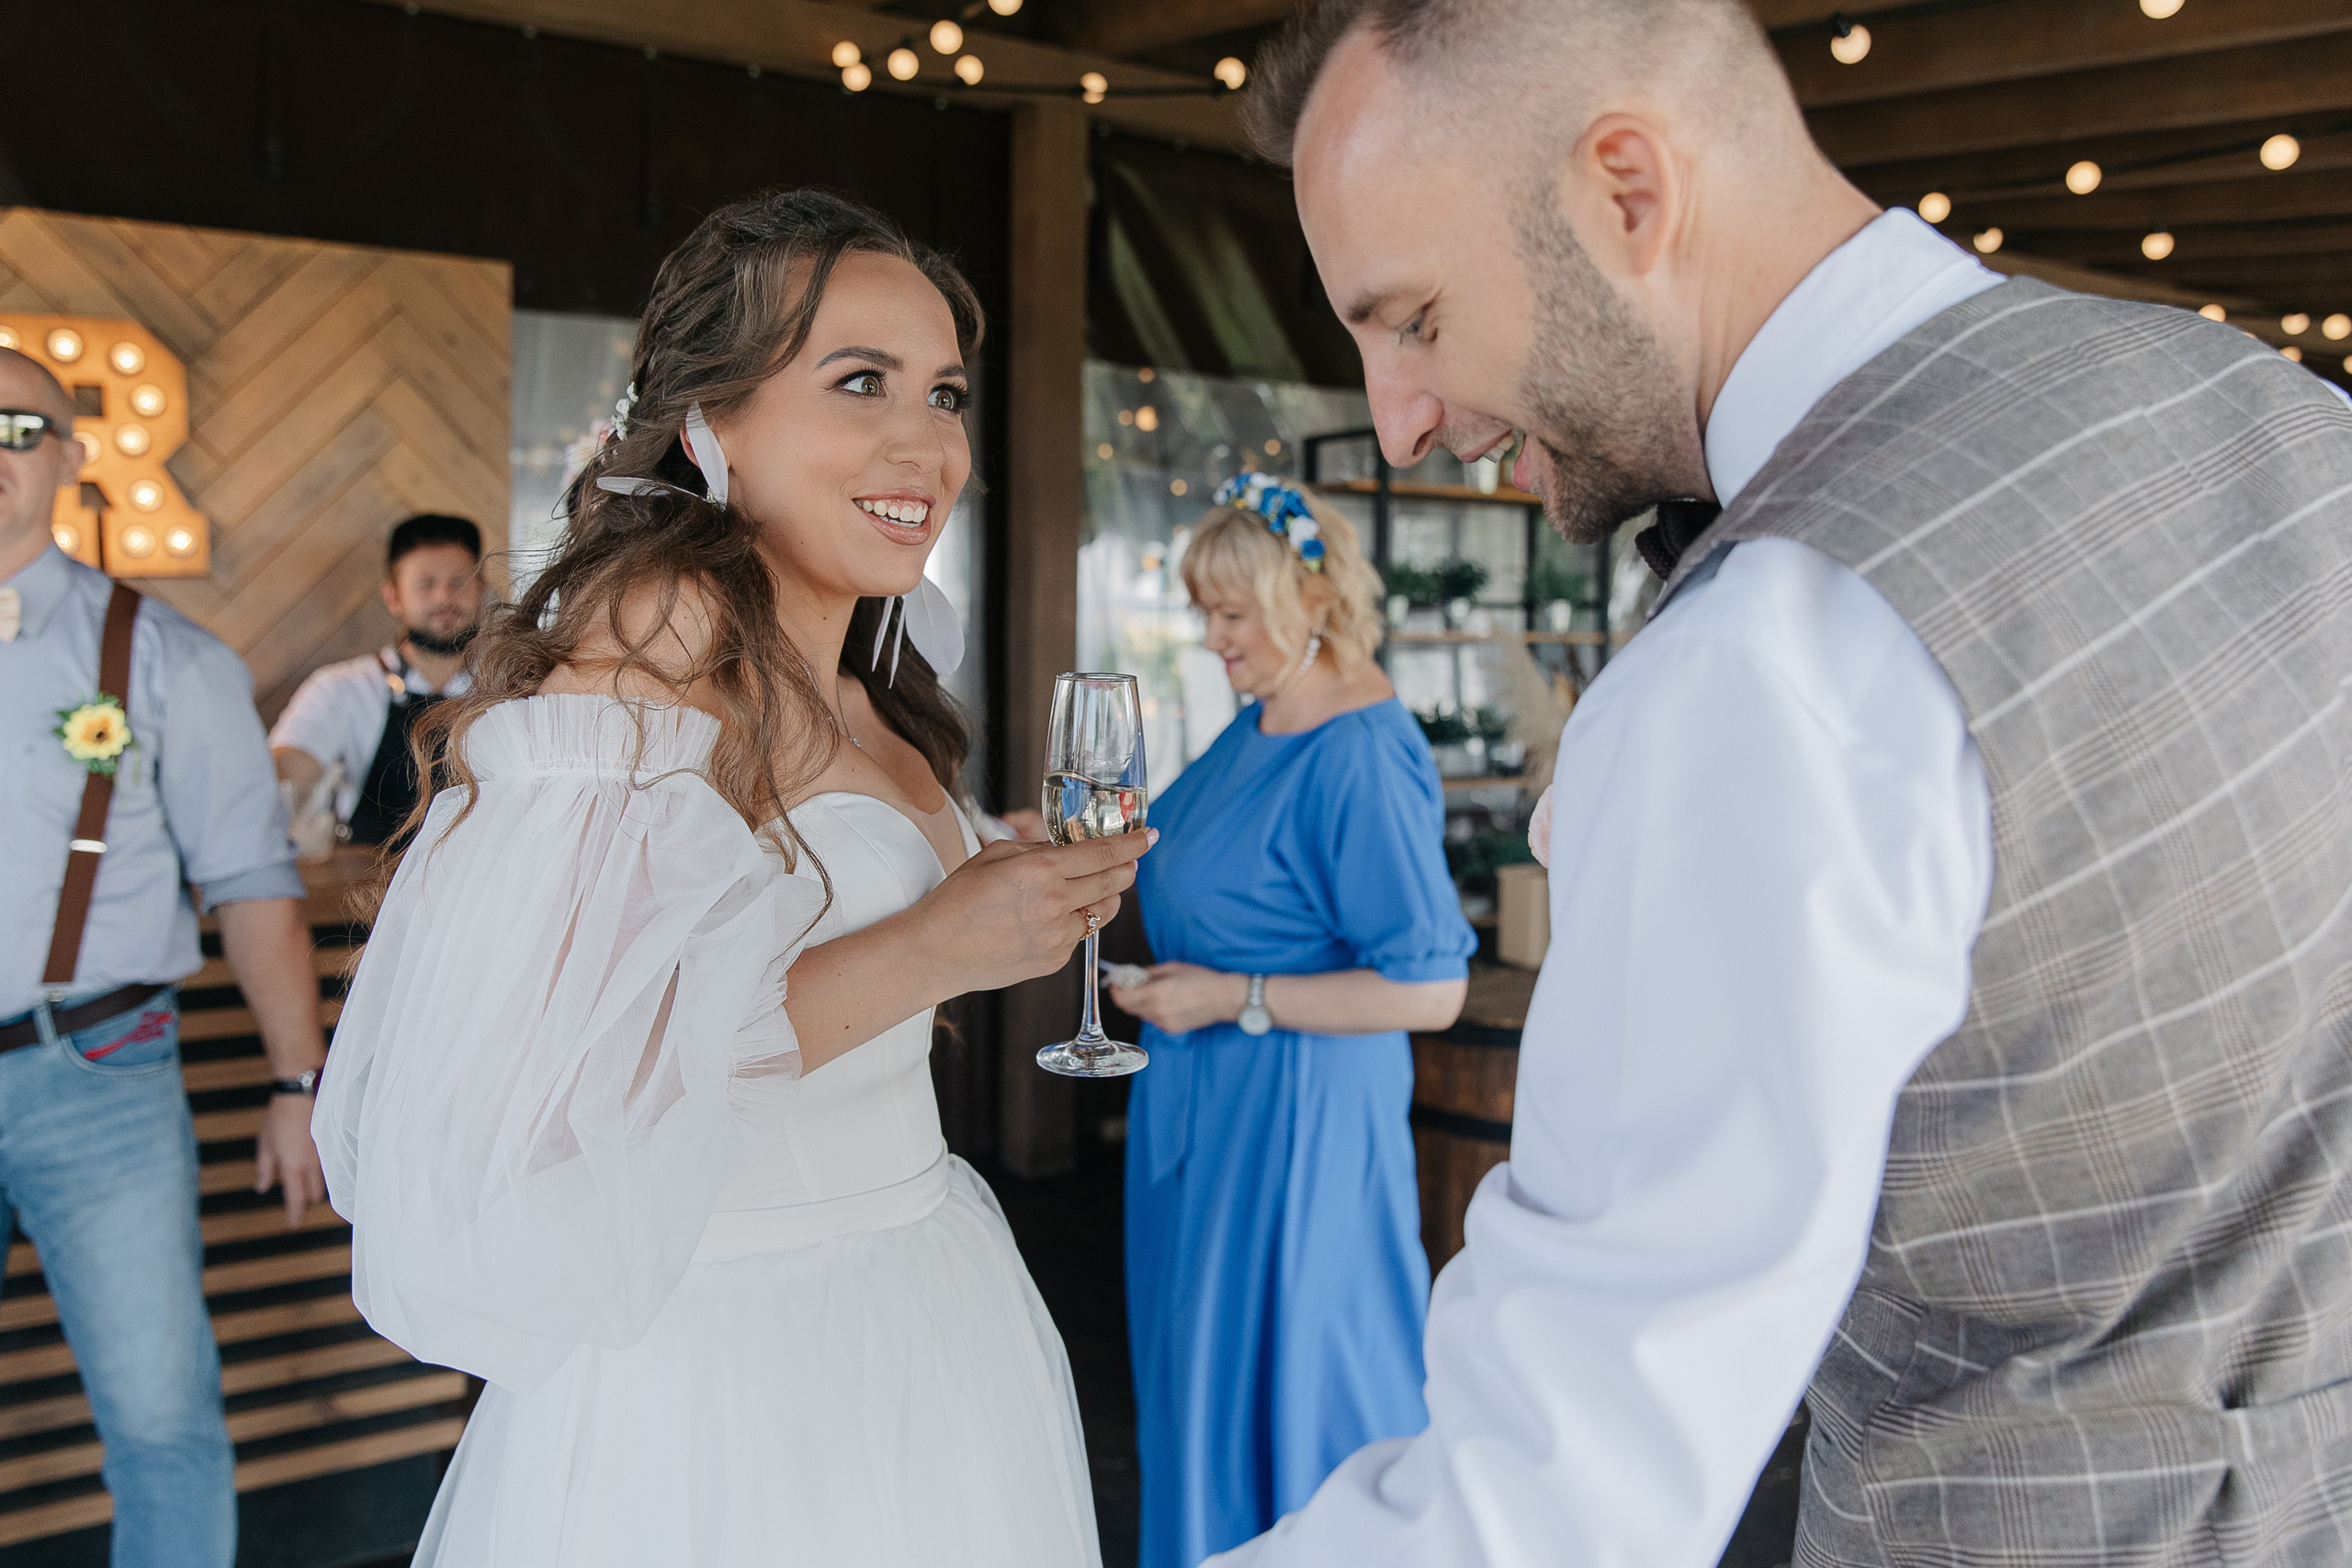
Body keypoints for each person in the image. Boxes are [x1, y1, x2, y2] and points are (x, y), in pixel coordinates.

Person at [1206, 3, 2352, 1566]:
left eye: (1412, 319)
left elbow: (1552, 1497)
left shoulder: (1767, 667)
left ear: (1627, 191)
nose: (1402, 417)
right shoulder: (2289, 415)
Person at [311, 188, 1150, 1567]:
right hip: (741, 1344)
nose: (925, 441)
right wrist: (943, 941)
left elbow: (780, 935)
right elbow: (579, 1083)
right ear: (712, 421)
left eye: (944, 392)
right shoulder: (658, 627)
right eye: (859, 381)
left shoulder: (877, 662)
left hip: (924, 1280)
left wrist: (989, 883)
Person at [0, 347, 328, 1567]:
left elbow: (251, 881)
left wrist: (298, 1081)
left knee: (158, 1413)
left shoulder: (167, 656)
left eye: (18, 425)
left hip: (99, 1071)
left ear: (71, 456)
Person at [1110, 472, 1472, 1568]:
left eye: (1231, 614)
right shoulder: (1265, 712)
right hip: (1205, 1113)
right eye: (1204, 611)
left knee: (1307, 1391)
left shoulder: (1358, 752)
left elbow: (1428, 987)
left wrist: (1233, 998)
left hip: (1297, 1128)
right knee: (1203, 1391)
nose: (1211, 638)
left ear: (1308, 601)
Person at [270, 514, 483, 846]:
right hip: (372, 887)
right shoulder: (341, 688)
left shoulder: (510, 689)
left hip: (484, 883)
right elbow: (287, 776)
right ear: (393, 597)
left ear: (480, 590)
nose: (444, 598)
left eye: (459, 582)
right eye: (426, 584)